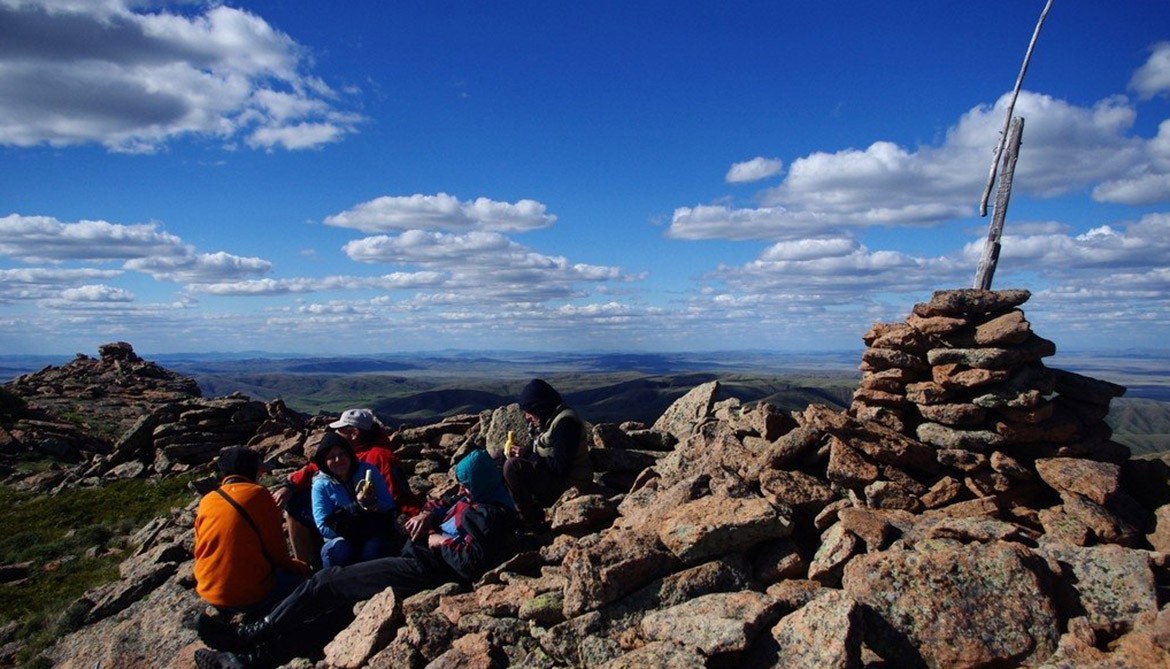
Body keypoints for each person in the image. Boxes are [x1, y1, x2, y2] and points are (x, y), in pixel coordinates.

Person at [194, 449, 518, 669]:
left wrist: (436, 540)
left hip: (421, 569)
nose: (460, 490)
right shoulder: (471, 499)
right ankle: (248, 661)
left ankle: (246, 636)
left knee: (327, 581)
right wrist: (427, 518)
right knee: (337, 617)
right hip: (413, 558)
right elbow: (437, 504)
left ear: (481, 483)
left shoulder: (489, 513)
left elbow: (470, 561)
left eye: (465, 485)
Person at [272, 408, 421, 565]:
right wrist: (289, 486)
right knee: (295, 506)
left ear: (354, 433)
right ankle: (306, 566)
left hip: (370, 522)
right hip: (345, 522)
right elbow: (313, 469)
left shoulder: (379, 457)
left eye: (340, 430)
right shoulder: (344, 454)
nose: (335, 434)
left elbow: (398, 497)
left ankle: (309, 566)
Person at [194, 447, 310, 618]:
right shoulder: (258, 494)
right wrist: (304, 568)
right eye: (258, 468)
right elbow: (278, 555)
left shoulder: (207, 500)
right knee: (307, 586)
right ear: (250, 470)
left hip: (207, 590)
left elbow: (198, 549)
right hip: (249, 596)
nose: (262, 472)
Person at [503, 378, 592, 528]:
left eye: (529, 411)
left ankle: (531, 520)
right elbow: (540, 450)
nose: (527, 417)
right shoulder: (548, 418)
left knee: (512, 466)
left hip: (571, 485)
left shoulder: (565, 424)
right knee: (500, 456)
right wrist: (524, 453)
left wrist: (526, 456)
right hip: (554, 476)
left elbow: (561, 468)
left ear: (540, 407)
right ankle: (501, 507)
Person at [310, 432, 399, 568]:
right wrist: (355, 509)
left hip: (372, 531)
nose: (338, 460)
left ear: (350, 455)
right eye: (331, 457)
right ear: (324, 462)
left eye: (342, 454)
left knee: (375, 548)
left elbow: (389, 505)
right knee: (337, 550)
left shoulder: (368, 471)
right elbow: (323, 526)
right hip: (342, 538)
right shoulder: (321, 485)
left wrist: (373, 503)